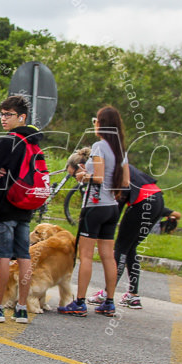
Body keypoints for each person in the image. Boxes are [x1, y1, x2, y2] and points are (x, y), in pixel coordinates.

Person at [0, 95, 44, 323]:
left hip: (4, 206)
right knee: (24, 256)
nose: (3, 119)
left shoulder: (9, 141)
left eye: (8, 115)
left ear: (21, 117)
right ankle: (22, 308)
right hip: (25, 206)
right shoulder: (34, 142)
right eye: (1, 114)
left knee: (2, 257)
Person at [60, 106, 130, 318]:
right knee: (109, 256)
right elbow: (125, 181)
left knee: (86, 256)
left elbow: (98, 178)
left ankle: (80, 302)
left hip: (94, 206)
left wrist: (83, 176)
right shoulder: (120, 150)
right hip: (111, 206)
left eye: (96, 121)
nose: (94, 125)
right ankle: (109, 302)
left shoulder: (99, 146)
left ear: (102, 124)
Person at [88, 162, 164, 310]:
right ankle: (133, 296)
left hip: (142, 201)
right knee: (130, 247)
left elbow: (119, 201)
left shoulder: (109, 168)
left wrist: (107, 224)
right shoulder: (118, 160)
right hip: (157, 198)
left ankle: (106, 295)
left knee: (121, 248)